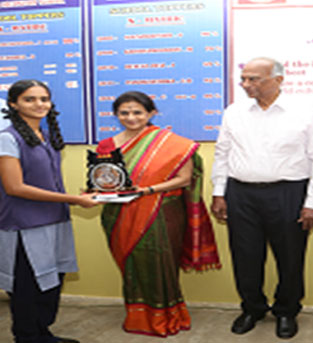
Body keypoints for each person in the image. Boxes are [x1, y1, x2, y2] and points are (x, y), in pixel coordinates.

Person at [210, 57, 313, 339]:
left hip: (288, 192)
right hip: (240, 193)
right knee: (245, 256)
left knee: (290, 256)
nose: (246, 84)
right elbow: (222, 153)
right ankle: (252, 308)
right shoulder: (234, 111)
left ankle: (287, 311)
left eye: (254, 79)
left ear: (278, 80)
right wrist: (219, 192)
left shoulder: (305, 111)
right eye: (244, 79)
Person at [97, 91, 221, 337]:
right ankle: (137, 316)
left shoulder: (173, 145)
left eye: (137, 112)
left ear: (151, 113)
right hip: (119, 213)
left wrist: (146, 191)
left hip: (161, 213)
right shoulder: (107, 145)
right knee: (132, 265)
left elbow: (184, 179)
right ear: (116, 115)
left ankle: (166, 315)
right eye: (124, 113)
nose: (131, 118)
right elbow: (104, 178)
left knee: (160, 264)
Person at [0, 79, 99, 343]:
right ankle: (27, 336)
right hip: (24, 225)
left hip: (55, 219)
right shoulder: (7, 139)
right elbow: (14, 187)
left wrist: (75, 197)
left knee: (52, 281)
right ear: (13, 104)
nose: (39, 104)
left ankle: (43, 333)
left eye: (43, 99)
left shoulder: (46, 137)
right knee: (27, 287)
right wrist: (72, 200)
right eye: (29, 99)